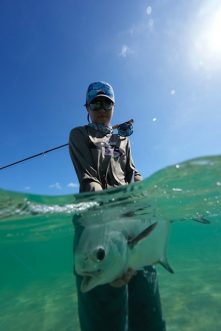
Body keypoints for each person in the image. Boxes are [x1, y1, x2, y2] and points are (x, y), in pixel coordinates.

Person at [69, 81, 166, 331]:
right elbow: (89, 179)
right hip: (96, 218)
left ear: (114, 106)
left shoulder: (123, 140)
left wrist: (143, 195)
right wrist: (105, 213)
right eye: (96, 103)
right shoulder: (79, 134)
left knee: (147, 309)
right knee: (103, 313)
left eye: (107, 103)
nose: (102, 108)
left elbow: (133, 173)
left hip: (131, 218)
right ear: (87, 107)